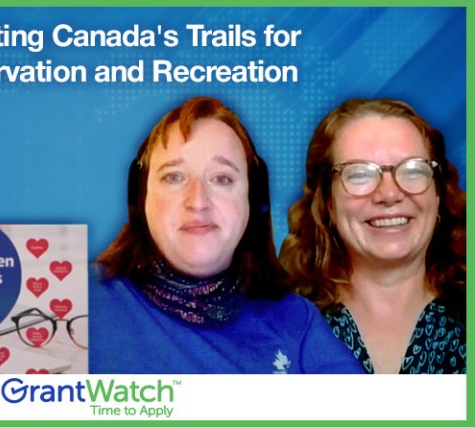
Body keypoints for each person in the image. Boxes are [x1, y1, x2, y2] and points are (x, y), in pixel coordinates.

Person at [90, 96, 363, 373]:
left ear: (252, 199)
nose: (198, 201)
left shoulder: (296, 321)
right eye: (173, 177)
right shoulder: (77, 298)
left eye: (222, 179)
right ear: (141, 196)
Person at [279, 98, 466, 374]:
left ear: (438, 194)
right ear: (328, 202)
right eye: (359, 175)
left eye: (413, 170)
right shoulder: (276, 327)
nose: (389, 194)